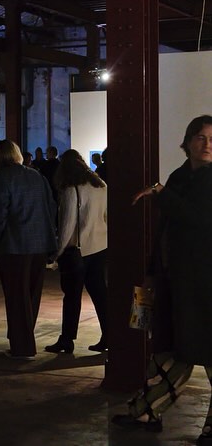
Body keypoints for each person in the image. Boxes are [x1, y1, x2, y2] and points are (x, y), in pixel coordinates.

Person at [112, 115, 212, 445]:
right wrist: (153, 271)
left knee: (192, 349)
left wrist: (159, 192)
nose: (207, 144)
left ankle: (145, 409)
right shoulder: (179, 177)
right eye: (200, 137)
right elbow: (166, 231)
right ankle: (145, 409)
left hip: (204, 282)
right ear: (187, 142)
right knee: (176, 348)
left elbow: (197, 218)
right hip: (178, 280)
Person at [0, 139, 57, 359]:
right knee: (30, 296)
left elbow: (0, 214)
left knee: (16, 297)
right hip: (39, 245)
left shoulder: (1, 178)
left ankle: (22, 347)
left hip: (13, 246)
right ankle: (22, 340)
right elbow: (51, 207)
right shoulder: (36, 176)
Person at [44, 149, 108, 353]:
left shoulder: (72, 189)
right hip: (99, 248)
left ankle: (67, 339)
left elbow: (67, 226)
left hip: (77, 251)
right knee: (100, 294)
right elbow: (107, 217)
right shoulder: (101, 186)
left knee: (71, 296)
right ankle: (109, 335)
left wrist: (57, 252)